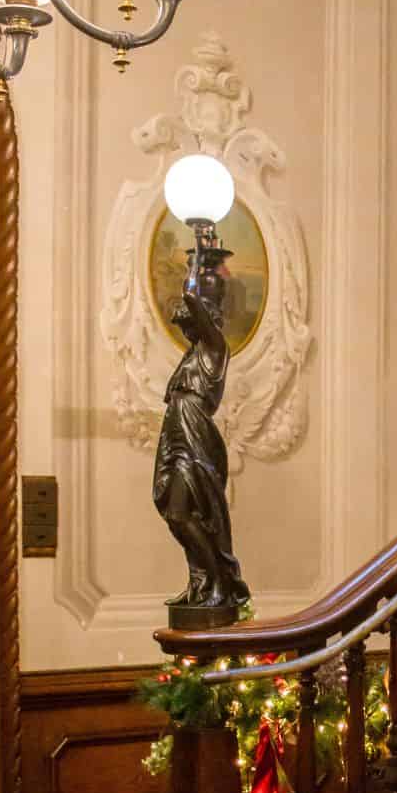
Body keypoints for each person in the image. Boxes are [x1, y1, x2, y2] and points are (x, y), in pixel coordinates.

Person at [152, 240, 250, 618]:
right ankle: (202, 584)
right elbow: (188, 307)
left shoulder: (215, 346)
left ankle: (218, 583)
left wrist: (195, 250)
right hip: (176, 429)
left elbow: (191, 300)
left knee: (183, 511)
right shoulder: (193, 353)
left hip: (194, 431)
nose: (183, 320)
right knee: (172, 508)